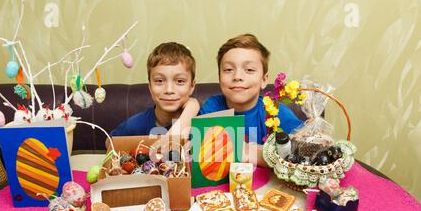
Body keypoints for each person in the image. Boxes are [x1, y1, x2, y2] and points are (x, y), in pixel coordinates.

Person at [199, 33, 303, 166]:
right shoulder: (212, 107)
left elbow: (303, 145)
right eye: (229, 69)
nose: (237, 76)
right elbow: (199, 148)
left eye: (249, 70)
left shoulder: (274, 112)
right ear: (219, 78)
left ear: (264, 80)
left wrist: (255, 153)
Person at [110, 42, 199, 137]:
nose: (169, 90)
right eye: (159, 81)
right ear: (150, 87)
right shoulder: (135, 125)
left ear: (192, 86)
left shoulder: (202, 122)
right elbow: (110, 143)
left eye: (180, 81)